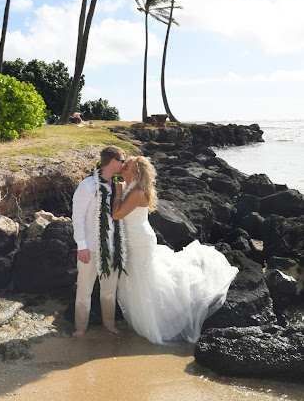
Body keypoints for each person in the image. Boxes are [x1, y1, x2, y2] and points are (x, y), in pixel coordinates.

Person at [112, 155, 239, 345]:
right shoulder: (130, 187)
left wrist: (117, 192)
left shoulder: (137, 191)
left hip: (140, 241)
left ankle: (158, 321)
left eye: (126, 167)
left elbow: (117, 214)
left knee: (144, 280)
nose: (122, 168)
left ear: (136, 173)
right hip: (134, 239)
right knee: (139, 278)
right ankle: (146, 316)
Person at [71, 145, 127, 338]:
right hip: (90, 247)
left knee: (109, 290)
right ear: (113, 161)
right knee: (85, 289)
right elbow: (77, 218)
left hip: (112, 247)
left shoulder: (117, 186)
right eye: (122, 161)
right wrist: (82, 246)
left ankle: (108, 323)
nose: (124, 165)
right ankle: (80, 327)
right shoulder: (87, 186)